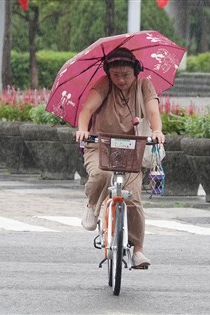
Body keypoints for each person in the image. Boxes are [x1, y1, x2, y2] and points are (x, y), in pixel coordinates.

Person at [75, 47, 165, 268]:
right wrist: (83, 129)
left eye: (126, 75)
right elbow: (86, 109)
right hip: (100, 144)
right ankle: (91, 205)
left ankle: (138, 250)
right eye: (115, 75)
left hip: (132, 148)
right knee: (101, 174)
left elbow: (153, 112)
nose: (121, 80)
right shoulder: (105, 84)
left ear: (136, 71)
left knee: (133, 199)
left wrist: (156, 131)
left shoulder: (144, 86)